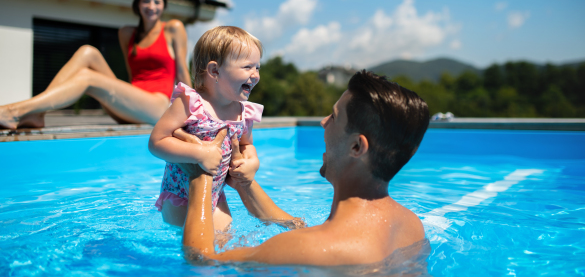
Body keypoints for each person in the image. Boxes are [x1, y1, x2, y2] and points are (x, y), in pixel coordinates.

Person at [179, 70, 430, 266]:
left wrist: (201, 175)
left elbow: (202, 261)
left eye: (333, 117)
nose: (323, 122)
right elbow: (305, 230)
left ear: (356, 147)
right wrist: (245, 185)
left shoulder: (308, 249)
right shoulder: (410, 226)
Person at [148, 26, 299, 232]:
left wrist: (252, 163)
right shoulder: (191, 103)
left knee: (225, 237)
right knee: (190, 246)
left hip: (216, 193)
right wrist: (200, 153)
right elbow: (157, 141)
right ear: (215, 71)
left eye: (258, 67)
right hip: (180, 195)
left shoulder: (243, 112)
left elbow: (247, 145)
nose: (255, 75)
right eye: (247, 67)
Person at [0, 0, 191, 130]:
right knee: (87, 52)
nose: (151, 6)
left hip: (156, 106)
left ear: (164, 5)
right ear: (137, 4)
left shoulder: (173, 28)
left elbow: (182, 73)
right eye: (146, 0)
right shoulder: (126, 33)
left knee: (87, 77)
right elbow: (131, 76)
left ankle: (17, 110)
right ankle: (37, 113)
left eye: (157, 2)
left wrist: (194, 112)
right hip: (129, 104)